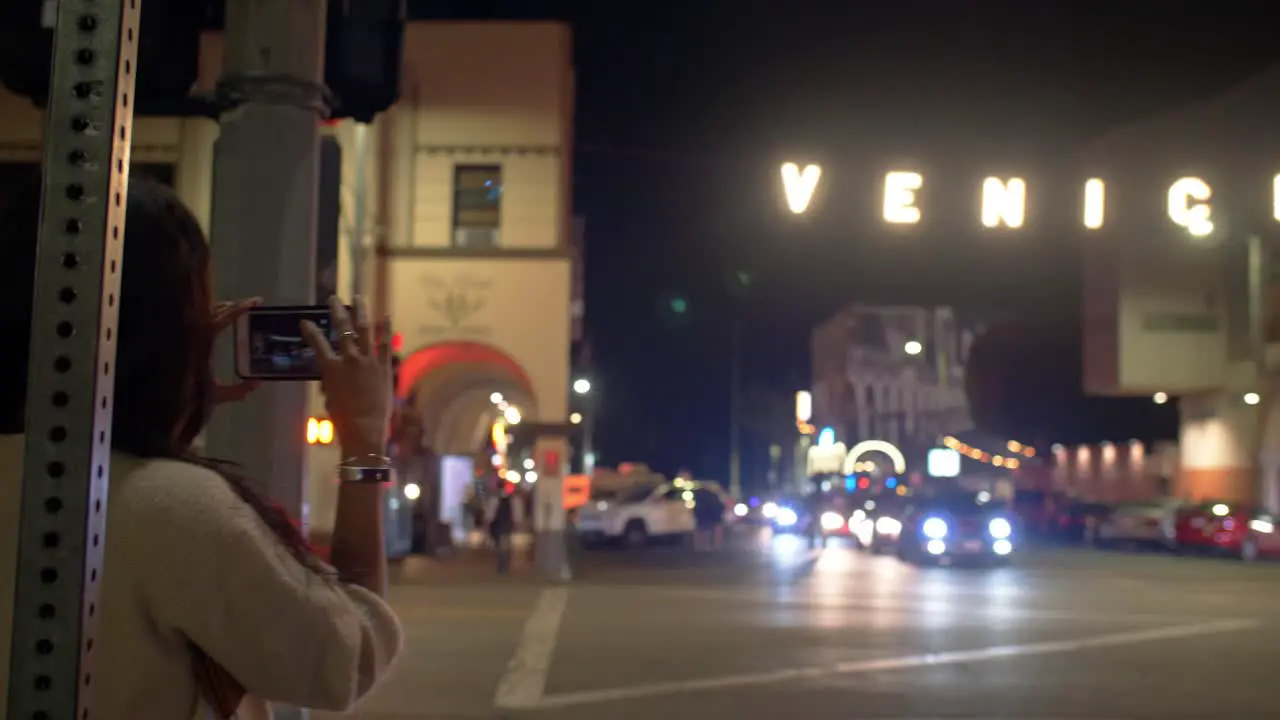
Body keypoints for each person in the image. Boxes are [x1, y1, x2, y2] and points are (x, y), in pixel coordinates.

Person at [0, 176, 404, 720]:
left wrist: (181, 400)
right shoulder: (171, 508)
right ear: (169, 327)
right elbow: (346, 658)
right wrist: (365, 442)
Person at [485, 480, 525, 573]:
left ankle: (501, 564)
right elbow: (517, 514)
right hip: (508, 525)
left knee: (499, 545)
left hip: (497, 525)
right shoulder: (514, 499)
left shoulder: (494, 499)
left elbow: (490, 514)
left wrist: (486, 525)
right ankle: (505, 563)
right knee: (506, 544)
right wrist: (519, 524)